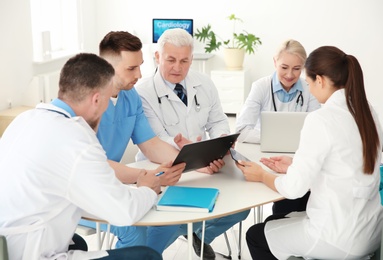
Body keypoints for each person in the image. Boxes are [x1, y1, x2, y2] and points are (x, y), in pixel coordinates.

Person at [0, 53, 163, 260]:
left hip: (5, 243)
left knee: (79, 242)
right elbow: (124, 212)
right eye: (106, 102)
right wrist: (147, 189)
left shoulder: (26, 119)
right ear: (96, 99)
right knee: (146, 255)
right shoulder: (76, 137)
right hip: (28, 252)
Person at [236, 46, 383, 259]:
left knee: (255, 235)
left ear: (320, 80)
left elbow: (294, 189)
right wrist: (295, 164)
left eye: (309, 82)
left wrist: (262, 176)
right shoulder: (368, 112)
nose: (309, 89)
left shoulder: (321, 119)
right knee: (272, 223)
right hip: (369, 232)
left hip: (334, 237)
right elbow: (344, 167)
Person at [135, 28, 250, 259]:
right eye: (171, 60)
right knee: (168, 224)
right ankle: (189, 229)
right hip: (163, 168)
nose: (178, 67)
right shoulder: (143, 91)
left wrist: (218, 145)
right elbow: (155, 140)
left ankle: (199, 234)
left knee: (242, 208)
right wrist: (193, 155)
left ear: (191, 59)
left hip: (205, 167)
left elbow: (219, 121)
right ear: (157, 57)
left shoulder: (204, 83)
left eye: (184, 60)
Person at [235, 39, 321, 215]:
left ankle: (287, 224)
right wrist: (272, 138)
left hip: (297, 158)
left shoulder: (308, 88)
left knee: (299, 195)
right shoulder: (261, 87)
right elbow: (241, 131)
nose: (290, 74)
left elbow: (318, 128)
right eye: (284, 67)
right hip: (267, 157)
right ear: (275, 62)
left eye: (297, 69)